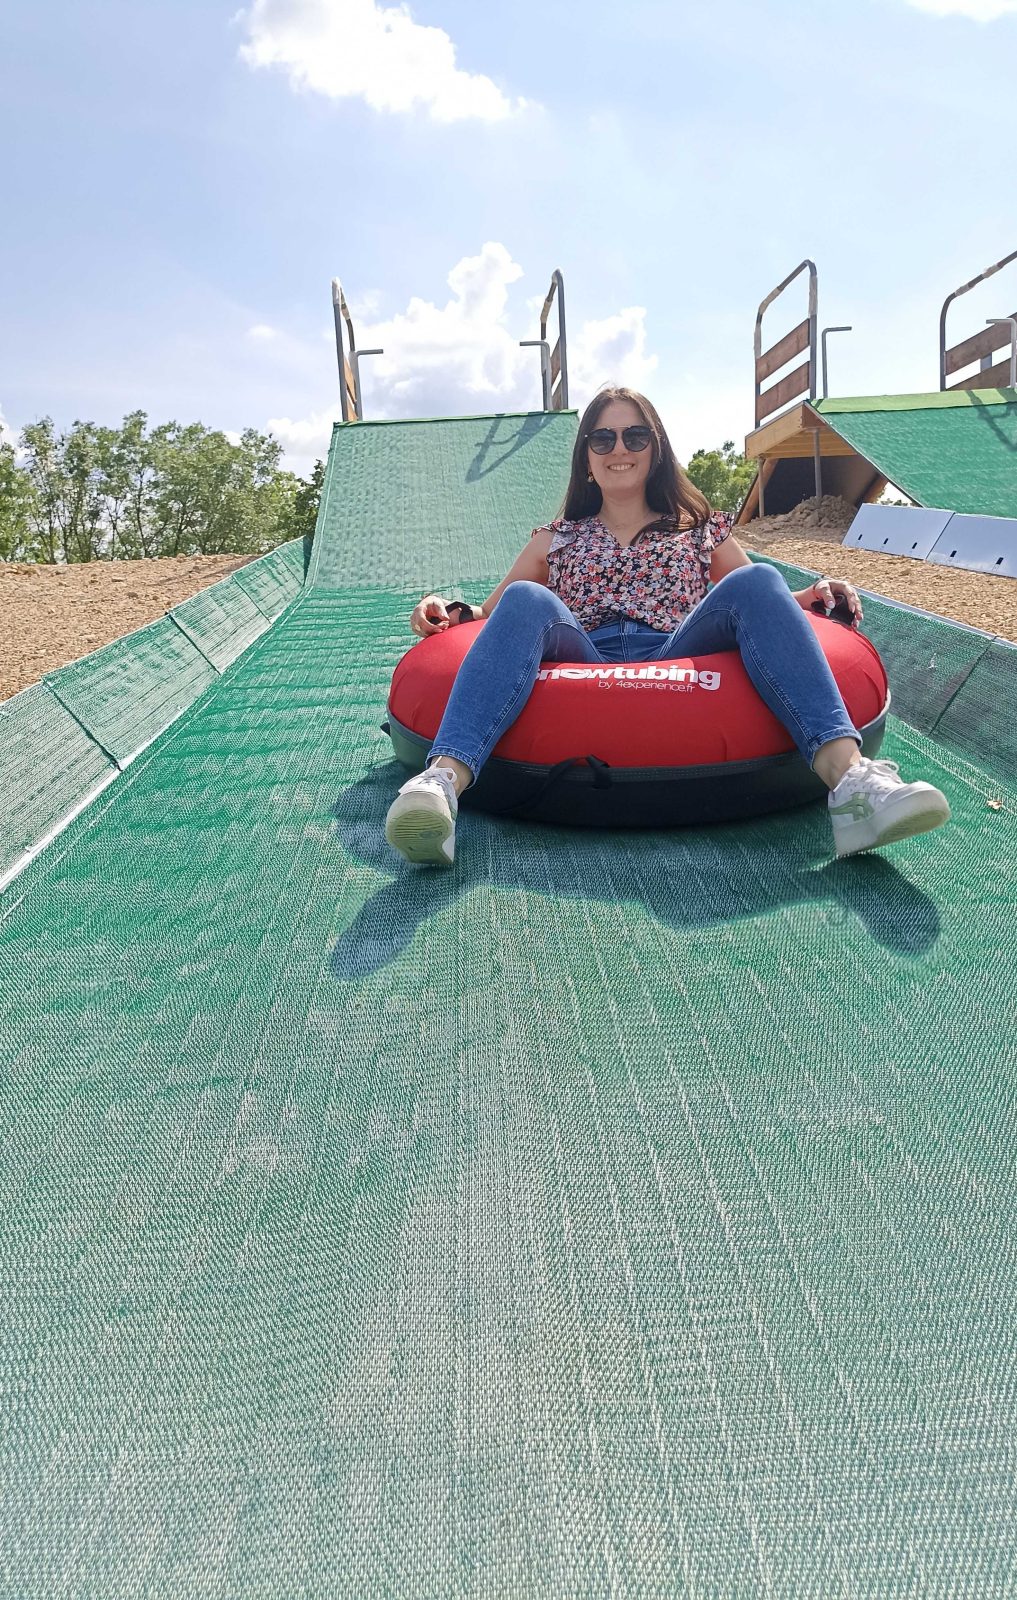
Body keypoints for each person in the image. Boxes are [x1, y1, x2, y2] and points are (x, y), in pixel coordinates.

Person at [385, 387, 950, 867]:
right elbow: (489, 616)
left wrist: (818, 594)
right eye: (603, 439)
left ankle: (852, 784)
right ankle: (441, 783)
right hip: (584, 651)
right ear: (586, 458)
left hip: (677, 648)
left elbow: (761, 599)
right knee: (528, 596)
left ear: (655, 450)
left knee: (759, 579)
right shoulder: (554, 538)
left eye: (635, 436)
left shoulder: (699, 528)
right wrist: (440, 609)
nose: (619, 449)